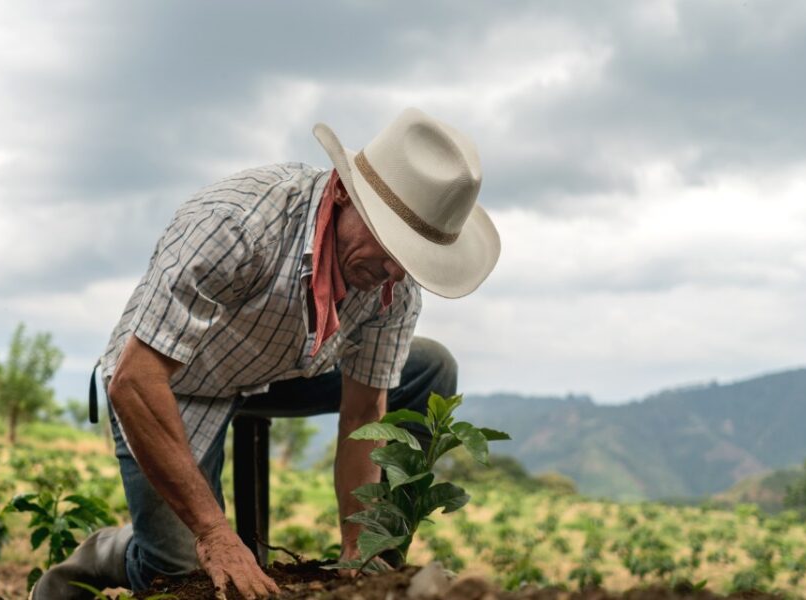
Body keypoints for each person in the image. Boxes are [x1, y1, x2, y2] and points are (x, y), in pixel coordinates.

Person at [31, 107, 501, 600]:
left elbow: (365, 412)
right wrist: (213, 533)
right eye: (389, 244)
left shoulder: (393, 283)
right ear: (343, 193)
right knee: (178, 571)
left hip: (282, 367)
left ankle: (382, 568)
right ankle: (111, 551)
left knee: (430, 367)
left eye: (411, 257)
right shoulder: (235, 226)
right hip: (175, 382)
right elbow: (134, 379)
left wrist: (359, 546)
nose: (394, 270)